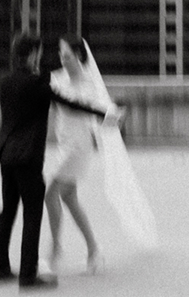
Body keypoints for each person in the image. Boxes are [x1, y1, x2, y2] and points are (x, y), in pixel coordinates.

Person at [0, 31, 117, 290]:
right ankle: (31, 271)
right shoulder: (40, 83)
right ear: (34, 54)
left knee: (10, 209)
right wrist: (104, 113)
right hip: (29, 155)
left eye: (65, 54)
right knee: (37, 209)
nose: (57, 57)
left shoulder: (3, 79)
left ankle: (2, 267)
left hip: (8, 153)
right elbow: (70, 103)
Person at [43, 33, 157, 271]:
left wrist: (113, 115)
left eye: (66, 56)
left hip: (80, 146)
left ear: (78, 56)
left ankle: (55, 249)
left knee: (50, 193)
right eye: (60, 55)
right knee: (69, 198)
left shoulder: (90, 83)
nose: (62, 59)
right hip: (63, 143)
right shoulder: (55, 78)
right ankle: (94, 249)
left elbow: (102, 114)